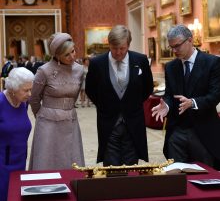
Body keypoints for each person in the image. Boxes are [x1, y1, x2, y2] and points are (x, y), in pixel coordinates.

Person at [152, 24, 220, 169]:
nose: (174, 51)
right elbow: (170, 95)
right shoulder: (171, 67)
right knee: (177, 176)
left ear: (190, 40)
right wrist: (167, 105)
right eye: (172, 47)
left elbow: (215, 95)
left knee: (206, 174)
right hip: (177, 132)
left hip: (203, 131)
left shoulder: (212, 62)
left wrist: (193, 102)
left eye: (177, 46)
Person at [85, 25, 154, 166]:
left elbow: (148, 87)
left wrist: (132, 104)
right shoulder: (97, 63)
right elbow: (90, 89)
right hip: (108, 123)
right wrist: (106, 105)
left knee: (131, 166)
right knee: (111, 166)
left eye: (122, 48)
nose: (118, 52)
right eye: (114, 48)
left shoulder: (140, 60)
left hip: (133, 122)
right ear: (109, 45)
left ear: (128, 44)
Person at [29, 32, 85, 170]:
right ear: (57, 56)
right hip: (47, 124)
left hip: (70, 121)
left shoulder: (79, 70)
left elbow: (75, 95)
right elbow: (34, 98)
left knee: (71, 160)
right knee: (46, 162)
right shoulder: (44, 71)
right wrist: (43, 117)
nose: (72, 56)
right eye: (67, 54)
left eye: (73, 51)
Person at [0, 67, 34, 201]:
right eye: (26, 90)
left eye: (31, 89)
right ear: (13, 89)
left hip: (20, 161)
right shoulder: (1, 103)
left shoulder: (23, 103)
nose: (30, 94)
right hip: (2, 164)